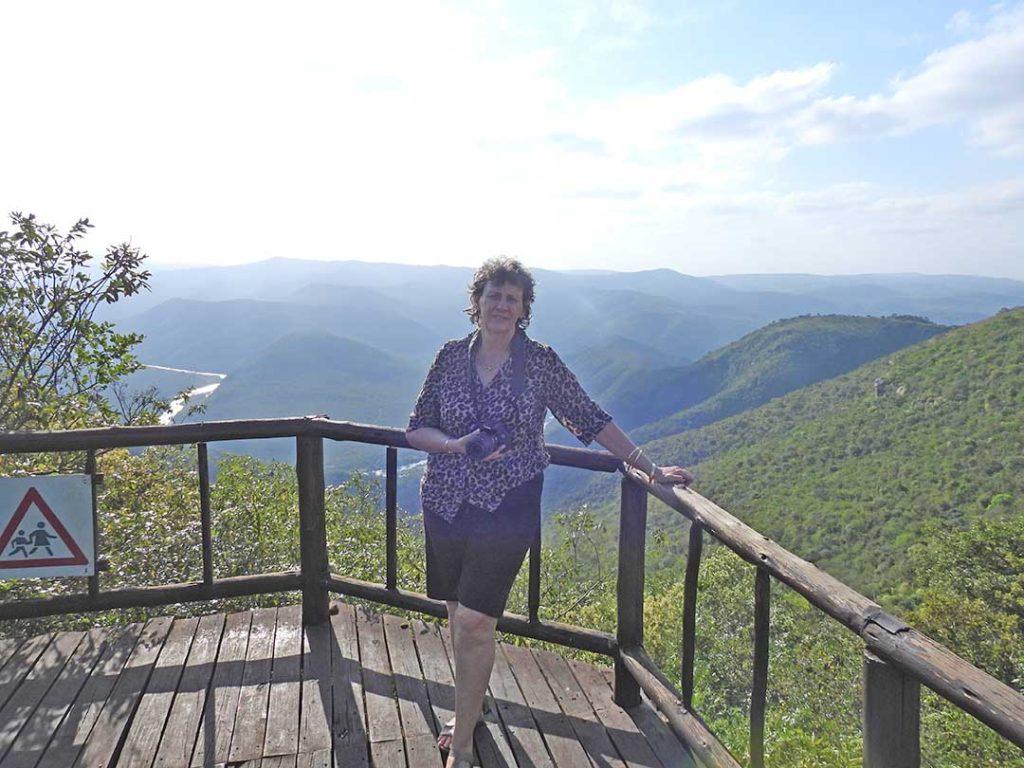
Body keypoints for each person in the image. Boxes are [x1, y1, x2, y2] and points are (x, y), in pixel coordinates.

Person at [405, 257, 693, 768]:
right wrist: (457, 445)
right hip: (445, 501)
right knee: (458, 616)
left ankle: (465, 741)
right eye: (493, 295)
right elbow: (416, 430)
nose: (501, 305)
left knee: (474, 622)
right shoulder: (449, 357)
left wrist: (648, 468)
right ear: (476, 303)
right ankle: (472, 707)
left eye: (511, 298)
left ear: (524, 310)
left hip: (508, 506)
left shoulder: (539, 363)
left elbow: (589, 418)